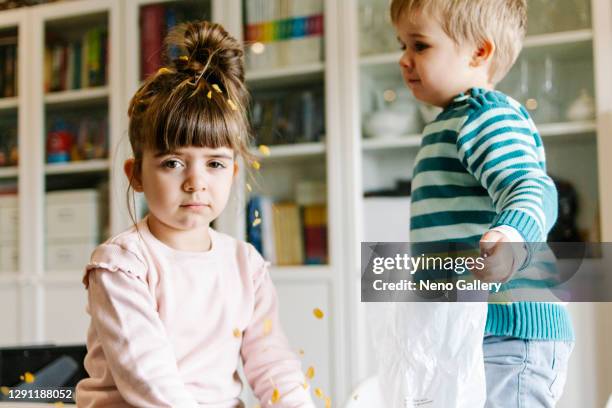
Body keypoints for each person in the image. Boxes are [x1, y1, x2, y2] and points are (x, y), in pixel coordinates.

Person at [75, 21, 315, 408]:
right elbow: (147, 378)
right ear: (136, 174)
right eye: (172, 163)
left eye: (215, 164)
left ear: (234, 173)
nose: (195, 182)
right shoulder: (122, 265)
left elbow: (271, 361)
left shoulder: (246, 265)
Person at [386, 0, 574, 406]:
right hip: (467, 332)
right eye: (401, 44)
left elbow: (533, 187)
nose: (404, 60)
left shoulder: (485, 117)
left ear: (479, 52)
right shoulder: (447, 123)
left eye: (419, 45)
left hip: (508, 331)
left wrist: (511, 237)